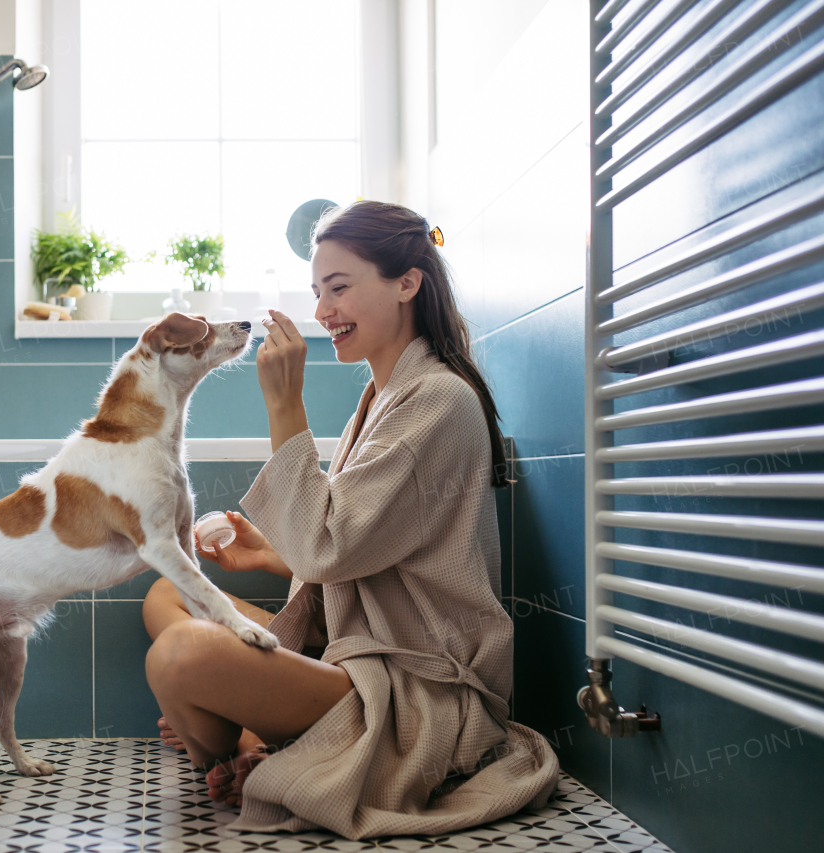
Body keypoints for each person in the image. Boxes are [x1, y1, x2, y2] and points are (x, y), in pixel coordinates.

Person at [141, 201, 558, 839]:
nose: (322, 311)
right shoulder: (388, 395)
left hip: (413, 692)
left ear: (406, 283)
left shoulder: (438, 401)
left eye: (338, 288)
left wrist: (284, 403)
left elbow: (330, 547)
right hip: (357, 656)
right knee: (169, 595)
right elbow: (367, 548)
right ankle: (251, 730)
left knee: (181, 656)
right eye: (317, 293)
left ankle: (248, 741)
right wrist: (268, 555)